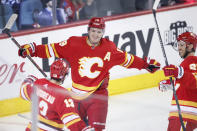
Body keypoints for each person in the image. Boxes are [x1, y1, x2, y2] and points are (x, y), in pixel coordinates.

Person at [18, 17, 161, 131]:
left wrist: (145, 64)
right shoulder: (73, 44)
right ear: (88, 30)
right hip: (75, 96)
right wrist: (33, 50)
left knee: (94, 129)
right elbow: (51, 49)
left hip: (97, 96)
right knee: (75, 126)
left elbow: (127, 59)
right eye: (93, 31)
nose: (96, 34)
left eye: (99, 32)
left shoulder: (109, 49)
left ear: (103, 33)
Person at [20, 59, 92, 131]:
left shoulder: (39, 83)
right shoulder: (63, 94)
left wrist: (29, 79)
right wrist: (84, 129)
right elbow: (71, 120)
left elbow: (22, 92)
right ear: (65, 75)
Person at [158, 32, 197, 131]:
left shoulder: (193, 62)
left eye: (182, 45)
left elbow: (194, 82)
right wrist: (172, 84)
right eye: (178, 45)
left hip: (185, 112)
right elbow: (187, 82)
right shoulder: (186, 63)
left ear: (191, 46)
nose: (179, 48)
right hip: (183, 112)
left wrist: (179, 73)